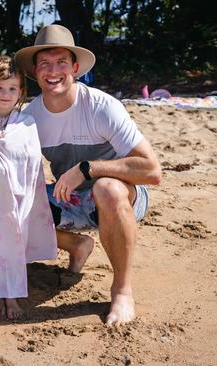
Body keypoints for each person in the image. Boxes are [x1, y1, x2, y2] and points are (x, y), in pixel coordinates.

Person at [15, 24, 162, 325]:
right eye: (45, 63)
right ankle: (76, 244)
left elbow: (151, 170)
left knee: (107, 188)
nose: (52, 71)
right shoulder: (31, 116)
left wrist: (87, 169)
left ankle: (122, 290)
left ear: (76, 68)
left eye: (61, 63)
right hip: (70, 199)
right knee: (7, 201)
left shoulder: (101, 107)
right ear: (35, 70)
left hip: (122, 198)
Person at [0, 56, 57, 320]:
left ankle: (11, 294)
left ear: (21, 92)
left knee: (13, 244)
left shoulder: (26, 124)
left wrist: (6, 145)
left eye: (12, 89)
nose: (6, 94)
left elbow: (31, 159)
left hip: (18, 197)